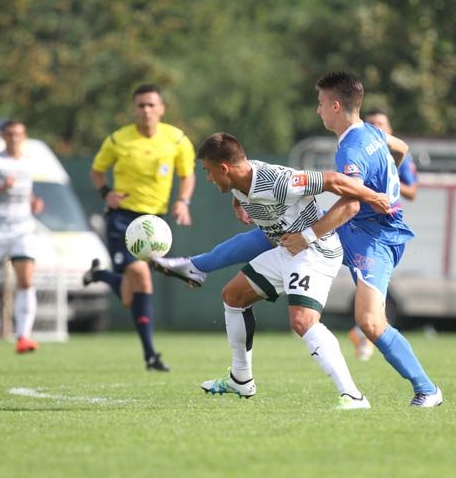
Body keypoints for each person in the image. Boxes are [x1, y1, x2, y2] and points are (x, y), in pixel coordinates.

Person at [153, 72, 441, 407]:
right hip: (357, 230)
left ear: (335, 105)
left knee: (370, 321)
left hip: (373, 237)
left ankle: (426, 390)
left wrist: (317, 231)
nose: (318, 111)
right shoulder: (372, 132)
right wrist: (388, 181)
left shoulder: (350, 148)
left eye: (320, 104)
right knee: (265, 248)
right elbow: (400, 148)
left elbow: (348, 203)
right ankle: (198, 270)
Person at [195, 131, 391, 410]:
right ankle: (240, 378)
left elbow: (333, 181)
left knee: (302, 321)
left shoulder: (276, 182)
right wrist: (239, 203)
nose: (209, 178)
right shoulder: (240, 179)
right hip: (289, 250)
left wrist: (375, 198)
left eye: (209, 171)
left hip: (315, 250)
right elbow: (240, 190)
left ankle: (353, 395)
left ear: (224, 168)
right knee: (233, 296)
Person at [83, 84, 196, 372]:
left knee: (127, 295)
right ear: (134, 109)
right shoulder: (119, 139)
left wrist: (183, 201)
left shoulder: (177, 139)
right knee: (142, 280)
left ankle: (100, 274)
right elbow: (97, 170)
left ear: (161, 109)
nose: (146, 110)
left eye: (151, 105)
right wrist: (105, 192)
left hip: (154, 223)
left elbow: (188, 174)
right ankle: (151, 356)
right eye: (141, 105)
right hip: (122, 219)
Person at [346, 108, 420, 360]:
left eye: (381, 124)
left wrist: (390, 183)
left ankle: (364, 332)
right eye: (372, 123)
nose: (377, 127)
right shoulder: (362, 151)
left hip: (387, 226)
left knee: (376, 283)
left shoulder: (397, 157)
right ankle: (365, 332)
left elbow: (412, 192)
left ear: (388, 129)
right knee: (368, 281)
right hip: (366, 227)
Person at [0, 120, 44, 353]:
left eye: (18, 134)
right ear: (3, 136)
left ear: (24, 136)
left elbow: (26, 191)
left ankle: (23, 337)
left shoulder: (28, 163)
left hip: (22, 229)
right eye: (9, 134)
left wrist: (34, 202)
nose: (14, 138)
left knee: (26, 280)